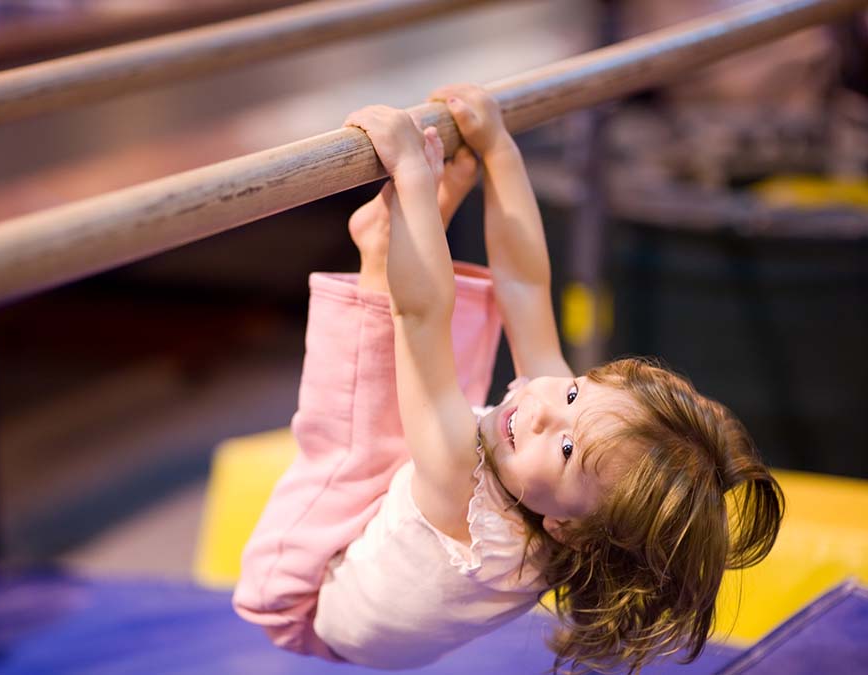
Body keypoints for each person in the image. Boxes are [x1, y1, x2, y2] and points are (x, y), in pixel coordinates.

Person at [234, 84, 784, 674]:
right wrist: (499, 149)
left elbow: (419, 316)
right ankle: (388, 245)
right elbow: (524, 283)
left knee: (372, 433)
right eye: (574, 392)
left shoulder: (465, 506)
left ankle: (386, 249)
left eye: (569, 448)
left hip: (303, 596)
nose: (547, 410)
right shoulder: (573, 491)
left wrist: (413, 177)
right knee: (461, 401)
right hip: (394, 551)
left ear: (568, 530)